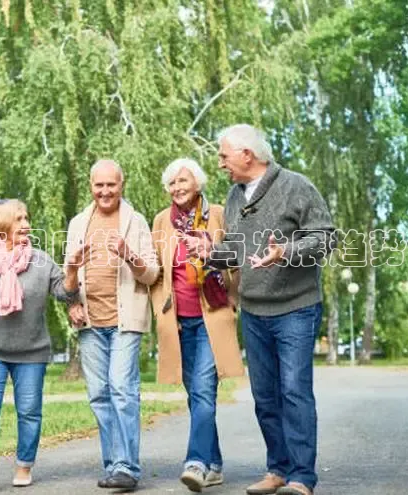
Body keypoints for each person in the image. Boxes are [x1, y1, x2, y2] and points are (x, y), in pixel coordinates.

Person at [186, 125, 335, 495]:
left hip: (296, 308)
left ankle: (302, 477)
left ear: (247, 155)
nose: (220, 163)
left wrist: (285, 251)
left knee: (294, 392)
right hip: (254, 312)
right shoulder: (235, 196)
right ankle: (278, 469)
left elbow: (325, 238)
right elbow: (237, 251)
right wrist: (211, 253)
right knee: (265, 396)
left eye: (224, 156)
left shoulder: (296, 186)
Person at [0, 199, 86, 492]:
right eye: (19, 219)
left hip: (31, 351)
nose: (26, 224)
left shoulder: (41, 260)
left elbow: (64, 293)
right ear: (3, 225)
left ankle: (24, 465)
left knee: (29, 411)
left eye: (27, 218)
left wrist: (73, 271)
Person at [150, 158, 245, 492]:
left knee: (204, 390)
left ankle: (196, 462)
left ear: (198, 183)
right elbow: (157, 272)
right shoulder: (162, 221)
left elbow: (237, 256)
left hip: (211, 316)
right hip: (178, 321)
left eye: (183, 180)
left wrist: (232, 296)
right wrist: (162, 312)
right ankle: (214, 463)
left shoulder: (217, 214)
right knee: (196, 395)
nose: (177, 187)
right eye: (172, 182)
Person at [66, 159, 160, 491]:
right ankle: (114, 465)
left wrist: (128, 254)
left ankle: (127, 467)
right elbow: (69, 278)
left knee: (122, 389)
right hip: (90, 322)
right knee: (99, 394)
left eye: (111, 185)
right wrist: (72, 302)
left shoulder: (135, 221)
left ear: (122, 185)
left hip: (125, 320)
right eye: (99, 185)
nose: (105, 191)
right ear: (91, 185)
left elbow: (152, 274)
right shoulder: (78, 223)